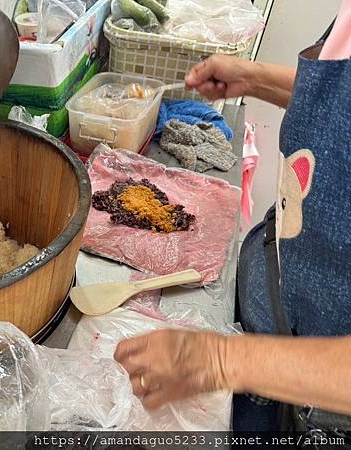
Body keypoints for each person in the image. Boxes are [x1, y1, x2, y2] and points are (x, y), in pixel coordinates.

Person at [114, 0, 351, 433]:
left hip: (325, 400)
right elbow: (340, 106)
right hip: (276, 315)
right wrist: (257, 80)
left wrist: (221, 359)